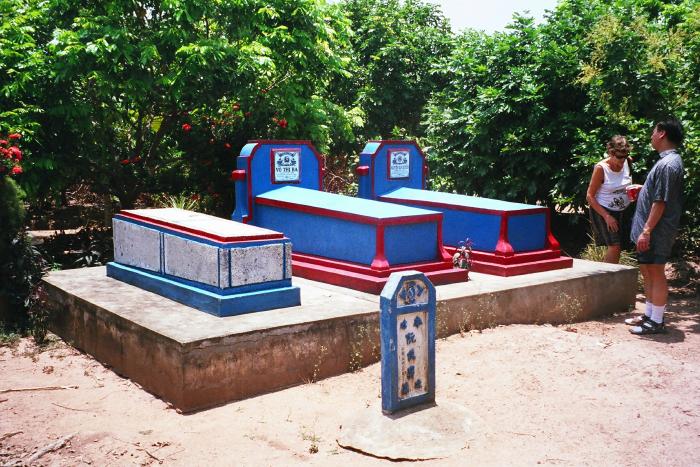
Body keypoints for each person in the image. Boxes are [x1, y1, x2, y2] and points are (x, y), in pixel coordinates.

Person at [626, 119, 685, 335]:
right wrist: (644, 190)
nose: (651, 136)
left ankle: (657, 322)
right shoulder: (667, 162)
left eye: (653, 132)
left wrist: (647, 230)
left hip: (657, 231)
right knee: (649, 271)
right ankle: (650, 315)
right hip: (653, 230)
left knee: (656, 271)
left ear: (661, 134)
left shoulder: (668, 164)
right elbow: (659, 194)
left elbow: (661, 202)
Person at [586, 135, 633, 263]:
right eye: (619, 157)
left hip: (624, 209)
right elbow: (589, 196)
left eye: (625, 155)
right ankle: (606, 281)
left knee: (623, 246)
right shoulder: (601, 168)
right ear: (611, 153)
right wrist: (607, 216)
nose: (622, 160)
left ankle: (613, 276)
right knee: (615, 246)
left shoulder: (628, 161)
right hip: (604, 210)